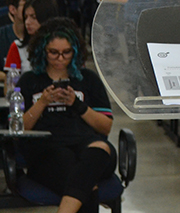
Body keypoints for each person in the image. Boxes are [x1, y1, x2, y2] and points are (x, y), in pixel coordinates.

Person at [18, 18, 115, 213]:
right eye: (53, 53)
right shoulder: (29, 81)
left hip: (84, 143)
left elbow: (105, 127)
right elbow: (19, 127)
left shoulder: (88, 79)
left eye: (66, 53)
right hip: (47, 148)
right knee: (85, 181)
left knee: (100, 148)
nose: (60, 59)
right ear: (42, 51)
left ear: (75, 52)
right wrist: (42, 102)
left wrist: (77, 104)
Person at [5, 0, 59, 73]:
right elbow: (11, 81)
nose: (27, 22)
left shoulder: (62, 47)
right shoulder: (18, 47)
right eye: (26, 17)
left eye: (33, 17)